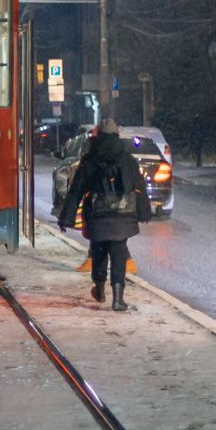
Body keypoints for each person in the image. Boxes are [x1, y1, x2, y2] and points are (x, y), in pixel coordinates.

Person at [57, 119, 152, 311]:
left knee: (99, 252)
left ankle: (99, 287)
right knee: (118, 254)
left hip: (97, 215)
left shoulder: (89, 160)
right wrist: (144, 211)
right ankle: (118, 298)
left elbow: (76, 190)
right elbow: (139, 188)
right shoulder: (127, 160)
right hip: (122, 216)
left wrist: (66, 216)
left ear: (97, 136)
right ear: (117, 135)